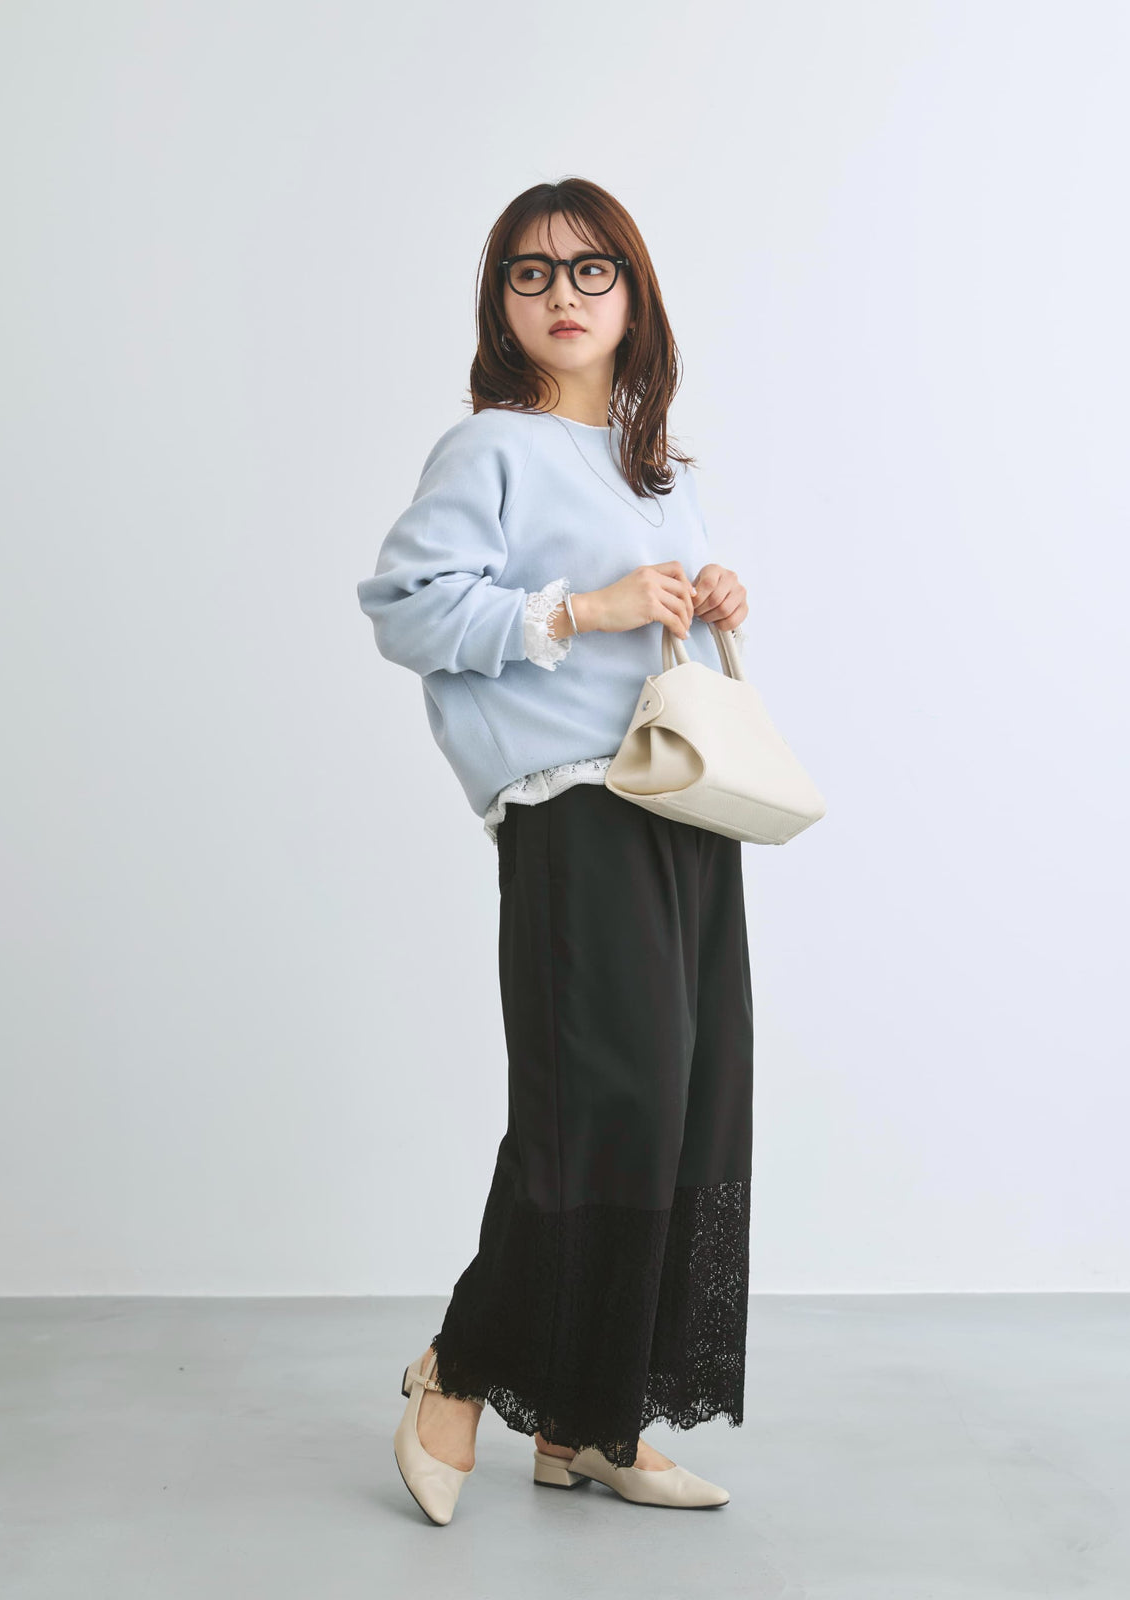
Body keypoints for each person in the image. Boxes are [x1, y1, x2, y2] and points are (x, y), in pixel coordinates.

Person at [357, 177, 753, 1524]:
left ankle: (592, 1422)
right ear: (502, 304)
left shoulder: (656, 472)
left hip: (684, 809)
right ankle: (459, 1372)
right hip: (573, 806)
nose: (563, 294)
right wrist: (580, 609)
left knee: (684, 1105)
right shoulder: (491, 450)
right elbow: (407, 609)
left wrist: (709, 595)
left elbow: (660, 630)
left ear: (633, 297)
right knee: (595, 1109)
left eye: (592, 270)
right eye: (531, 273)